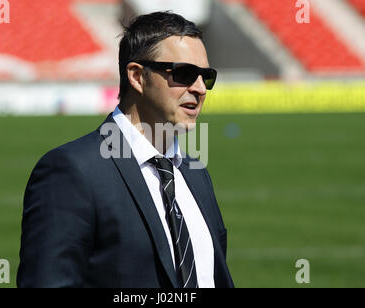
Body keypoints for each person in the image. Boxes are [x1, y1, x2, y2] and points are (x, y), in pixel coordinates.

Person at [17, 11, 234, 288]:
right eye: (185, 73)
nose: (200, 88)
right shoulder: (73, 171)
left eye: (207, 76)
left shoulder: (195, 173)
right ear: (137, 76)